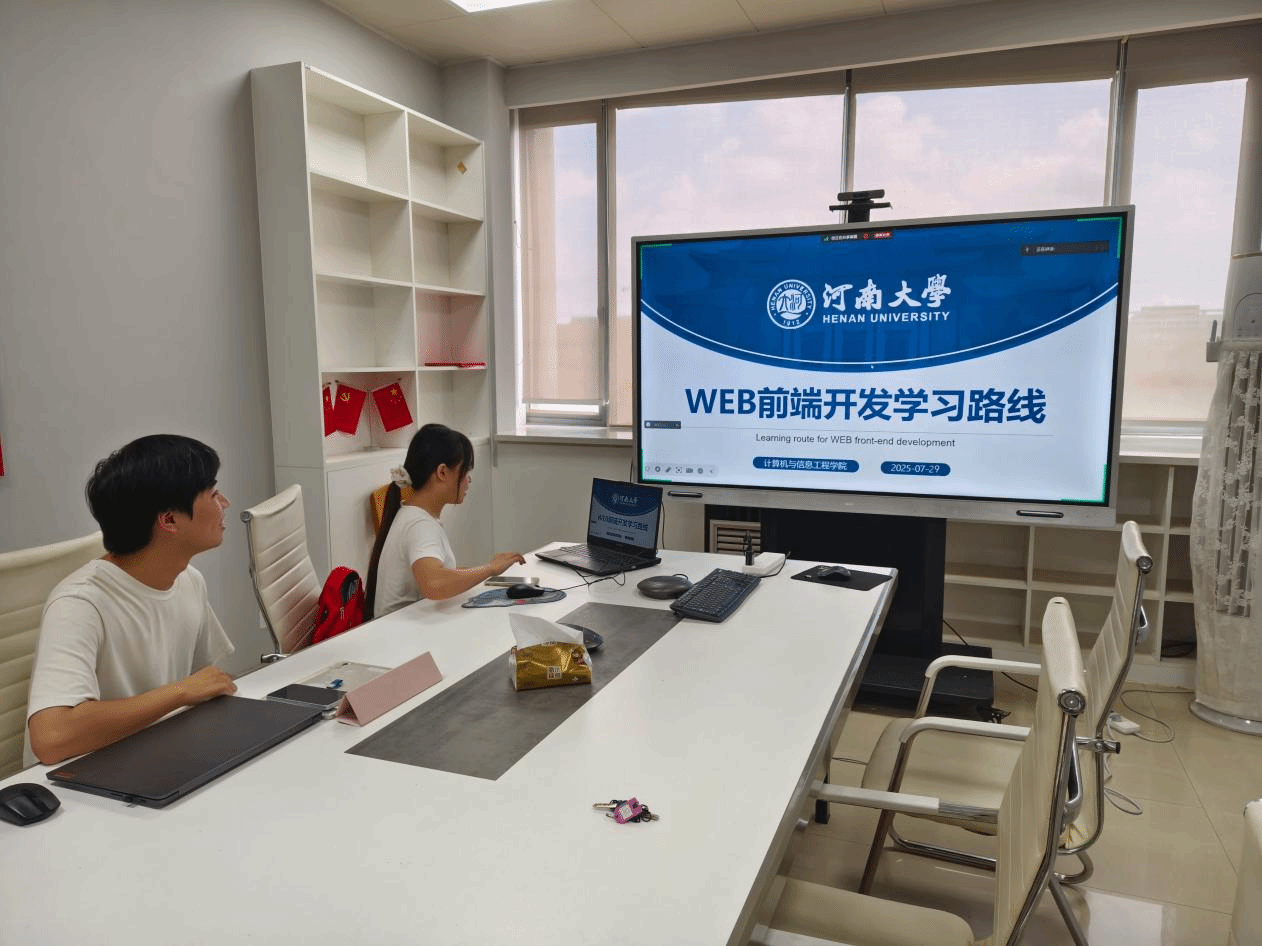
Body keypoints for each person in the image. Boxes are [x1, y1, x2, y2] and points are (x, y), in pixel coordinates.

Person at [26, 434, 238, 766]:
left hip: (156, 756)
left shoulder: (189, 581)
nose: (225, 502)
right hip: (85, 776)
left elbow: (206, 684)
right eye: (212, 494)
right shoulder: (79, 603)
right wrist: (180, 692)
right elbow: (52, 737)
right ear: (169, 520)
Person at [365, 423, 524, 618]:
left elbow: (440, 575)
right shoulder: (419, 525)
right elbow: (433, 584)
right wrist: (490, 568)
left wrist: (486, 572)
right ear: (442, 472)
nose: (468, 480)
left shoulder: (412, 514)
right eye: (465, 471)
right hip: (404, 634)